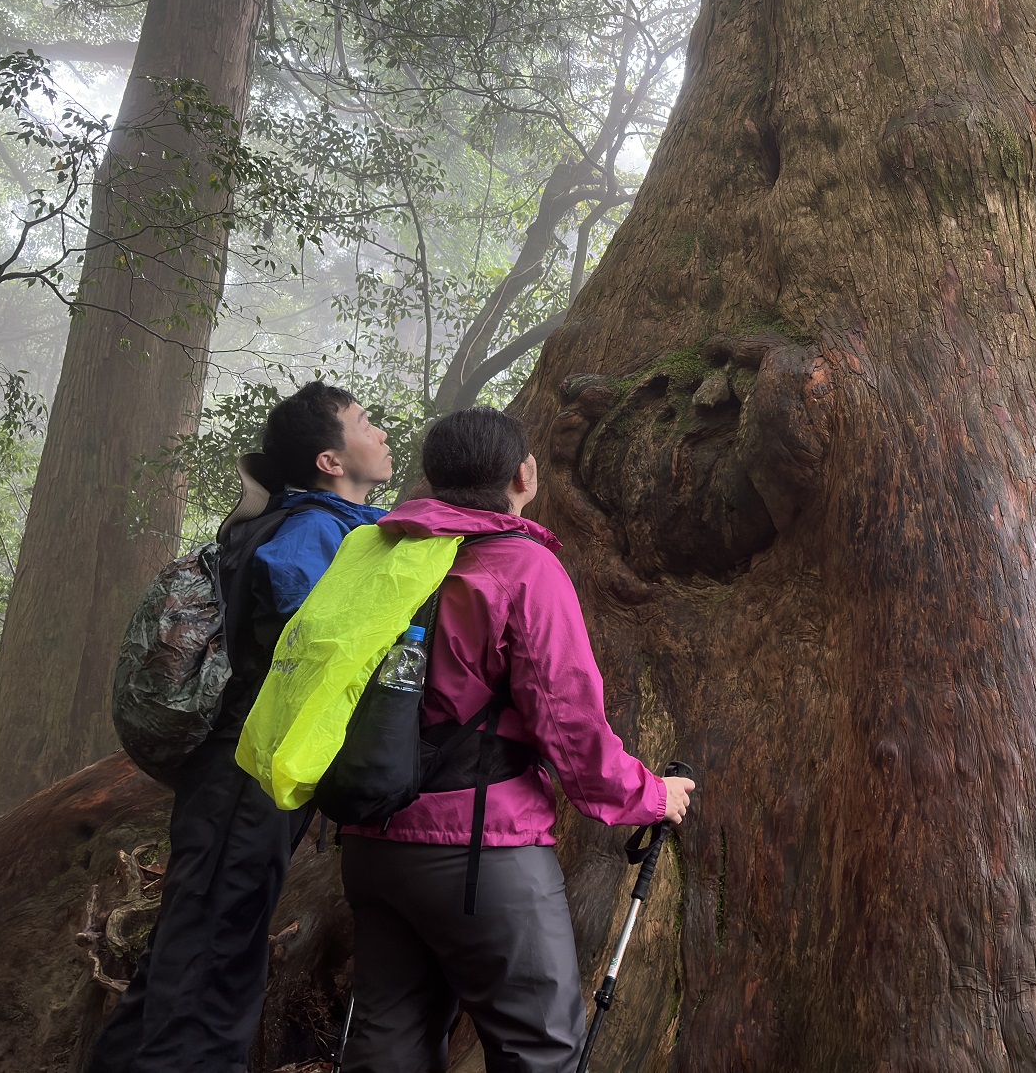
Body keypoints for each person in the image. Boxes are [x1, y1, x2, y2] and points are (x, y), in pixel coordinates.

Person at [339, 406, 694, 1073]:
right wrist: (651, 796)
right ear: (524, 475)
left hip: (370, 840)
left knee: (388, 1047)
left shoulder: (382, 555)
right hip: (482, 853)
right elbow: (571, 725)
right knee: (540, 1052)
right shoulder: (520, 567)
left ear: (432, 479)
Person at [90, 381, 393, 1073]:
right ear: (329, 459)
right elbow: (310, 620)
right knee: (213, 976)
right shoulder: (312, 528)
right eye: (364, 422)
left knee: (187, 959)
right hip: (243, 778)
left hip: (244, 780)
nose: (378, 433)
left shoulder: (314, 521)